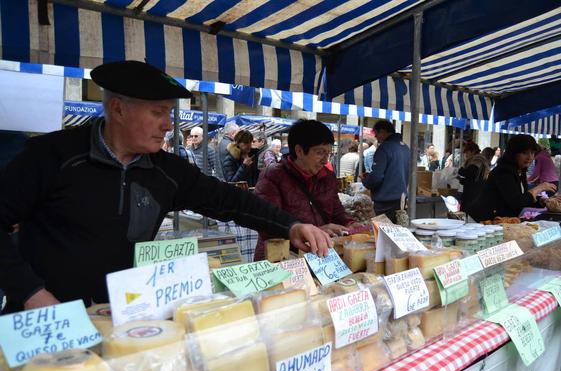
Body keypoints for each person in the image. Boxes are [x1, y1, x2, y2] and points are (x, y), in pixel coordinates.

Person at [0, 60, 331, 312]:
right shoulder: (53, 155)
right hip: (43, 315)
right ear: (117, 109)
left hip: (122, 315)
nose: (167, 125)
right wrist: (30, 292)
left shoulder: (166, 170)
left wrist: (291, 225)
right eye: (159, 113)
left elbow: (229, 200)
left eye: (169, 113)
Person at [254, 120, 356, 260]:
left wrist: (351, 225)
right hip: (281, 258)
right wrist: (311, 232)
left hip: (319, 257)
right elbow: (266, 224)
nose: (325, 161)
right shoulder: (273, 176)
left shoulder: (327, 176)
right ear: (299, 151)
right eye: (320, 153)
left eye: (328, 154)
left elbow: (337, 211)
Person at [469, 135, 557, 222]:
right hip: (481, 221)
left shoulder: (520, 171)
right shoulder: (504, 172)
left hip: (498, 221)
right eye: (524, 153)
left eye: (532, 153)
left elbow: (522, 198)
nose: (530, 157)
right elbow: (516, 202)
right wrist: (539, 188)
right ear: (513, 153)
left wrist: (540, 201)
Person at [362, 120, 410, 222]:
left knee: (383, 233)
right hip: (401, 199)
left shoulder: (384, 148)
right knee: (397, 232)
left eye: (376, 134)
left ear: (383, 131)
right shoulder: (405, 147)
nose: (376, 138)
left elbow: (376, 177)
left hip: (385, 201)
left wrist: (366, 180)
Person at [457, 142, 489, 217]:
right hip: (475, 192)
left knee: (467, 216)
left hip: (473, 195)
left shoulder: (477, 160)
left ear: (473, 151)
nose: (466, 155)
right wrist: (462, 180)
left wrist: (461, 169)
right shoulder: (480, 160)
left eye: (467, 152)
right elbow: (472, 178)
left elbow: (469, 173)